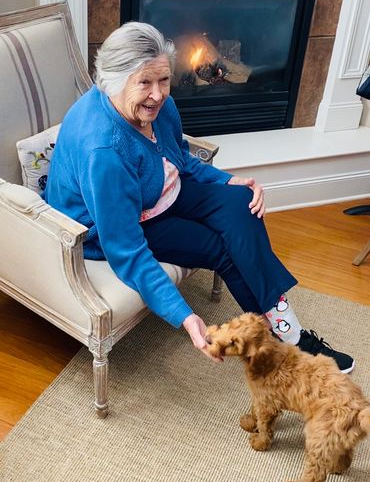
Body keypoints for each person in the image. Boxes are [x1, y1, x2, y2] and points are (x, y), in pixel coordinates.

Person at [44, 21, 354, 373]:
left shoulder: (158, 108)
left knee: (242, 204)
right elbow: (125, 250)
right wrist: (185, 317)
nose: (158, 94)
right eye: (144, 82)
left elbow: (179, 159)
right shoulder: (105, 152)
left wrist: (228, 180)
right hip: (115, 225)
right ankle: (289, 339)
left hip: (159, 191)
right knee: (221, 248)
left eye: (163, 79)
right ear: (113, 81)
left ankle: (284, 326)